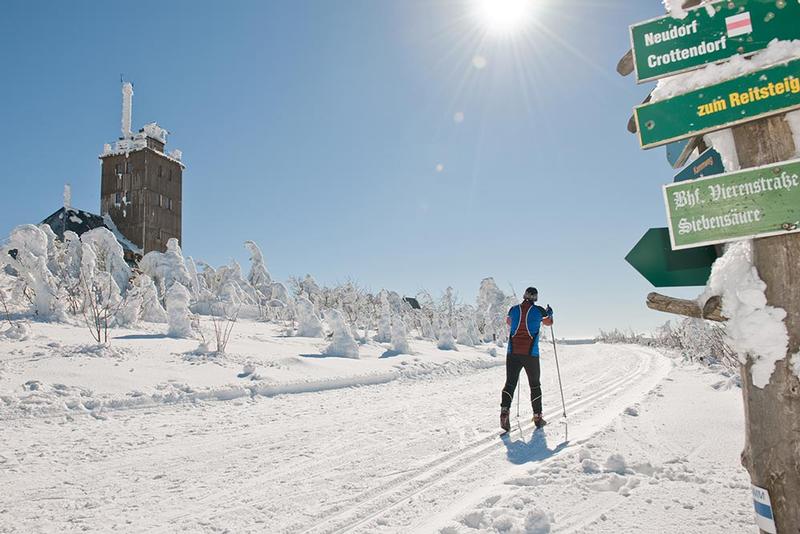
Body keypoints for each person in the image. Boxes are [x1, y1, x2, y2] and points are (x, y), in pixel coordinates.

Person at [500, 287, 553, 432]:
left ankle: (504, 411)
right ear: (535, 298)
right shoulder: (539, 311)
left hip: (512, 353)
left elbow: (509, 322)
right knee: (535, 385)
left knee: (510, 383)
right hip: (531, 354)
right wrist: (550, 313)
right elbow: (549, 323)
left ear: (524, 296)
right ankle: (537, 417)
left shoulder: (513, 309)